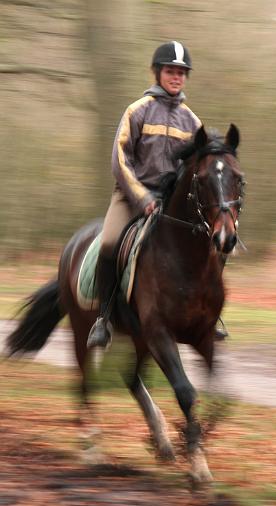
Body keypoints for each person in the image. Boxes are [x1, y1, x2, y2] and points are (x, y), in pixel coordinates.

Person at [87, 40, 228, 349]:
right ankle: (104, 318)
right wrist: (142, 198)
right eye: (170, 71)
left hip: (172, 201)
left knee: (210, 243)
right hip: (131, 195)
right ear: (157, 73)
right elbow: (119, 160)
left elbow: (199, 168)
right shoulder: (137, 111)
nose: (176, 77)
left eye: (181, 73)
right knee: (110, 241)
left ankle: (209, 314)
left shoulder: (192, 121)